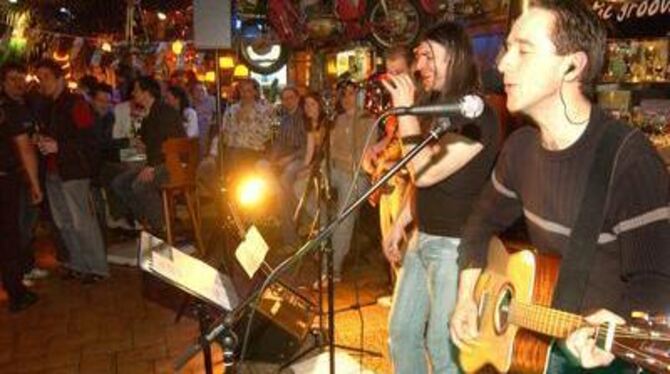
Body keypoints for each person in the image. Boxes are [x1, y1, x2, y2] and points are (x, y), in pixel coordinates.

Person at [449, 2, 670, 372]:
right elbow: (478, 225)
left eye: (523, 49)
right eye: (507, 49)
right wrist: (467, 297)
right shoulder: (519, 150)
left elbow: (659, 279)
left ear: (572, 65)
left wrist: (615, 325)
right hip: (538, 345)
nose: (502, 63)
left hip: (605, 358)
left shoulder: (628, 160)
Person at [380, 22, 501, 373]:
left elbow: (425, 171)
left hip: (453, 244)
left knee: (444, 344)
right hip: (423, 236)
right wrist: (402, 222)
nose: (419, 67)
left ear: (457, 57)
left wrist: (404, 112)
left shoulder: (476, 114)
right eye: (419, 57)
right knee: (401, 334)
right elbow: (421, 182)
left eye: (429, 57)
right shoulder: (436, 106)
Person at [35, 58, 109, 283]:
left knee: (82, 221)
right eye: (40, 79)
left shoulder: (76, 103)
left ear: (60, 78)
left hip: (73, 171)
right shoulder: (51, 105)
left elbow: (91, 139)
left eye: (46, 77)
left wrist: (59, 146)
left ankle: (97, 268)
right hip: (54, 171)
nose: (42, 83)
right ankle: (78, 263)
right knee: (64, 222)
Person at [362, 46, 414, 307]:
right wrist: (376, 148)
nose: (393, 78)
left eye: (399, 72)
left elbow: (412, 145)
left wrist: (388, 160)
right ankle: (399, 292)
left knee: (400, 239)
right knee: (389, 237)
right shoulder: (395, 100)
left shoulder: (416, 100)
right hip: (389, 176)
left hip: (404, 180)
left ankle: (406, 299)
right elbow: (393, 134)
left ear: (413, 68)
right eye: (390, 73)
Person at [111, 76, 185, 233]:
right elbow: (144, 143)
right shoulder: (146, 113)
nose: (132, 93)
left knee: (140, 184)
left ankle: (161, 227)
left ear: (146, 93)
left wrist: (151, 166)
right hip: (152, 159)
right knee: (119, 181)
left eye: (136, 90)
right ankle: (147, 220)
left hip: (173, 165)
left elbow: (167, 144)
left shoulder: (163, 111)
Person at [0, 62, 49, 284]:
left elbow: (29, 138)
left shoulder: (25, 105)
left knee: (26, 224)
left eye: (22, 79)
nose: (19, 83)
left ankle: (26, 266)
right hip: (15, 175)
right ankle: (16, 274)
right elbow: (22, 147)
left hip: (24, 173)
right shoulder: (7, 108)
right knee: (17, 226)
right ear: (3, 82)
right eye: (12, 79)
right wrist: (34, 183)